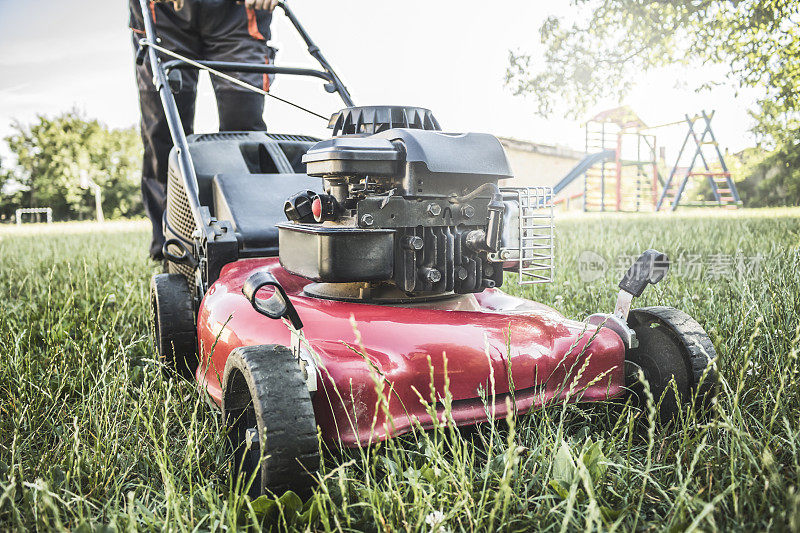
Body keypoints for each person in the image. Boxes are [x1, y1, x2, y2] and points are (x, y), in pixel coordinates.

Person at [130, 0, 278, 260]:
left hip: (237, 12)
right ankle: (171, 248)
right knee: (164, 131)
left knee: (244, 132)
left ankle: (252, 242)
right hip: (163, 13)